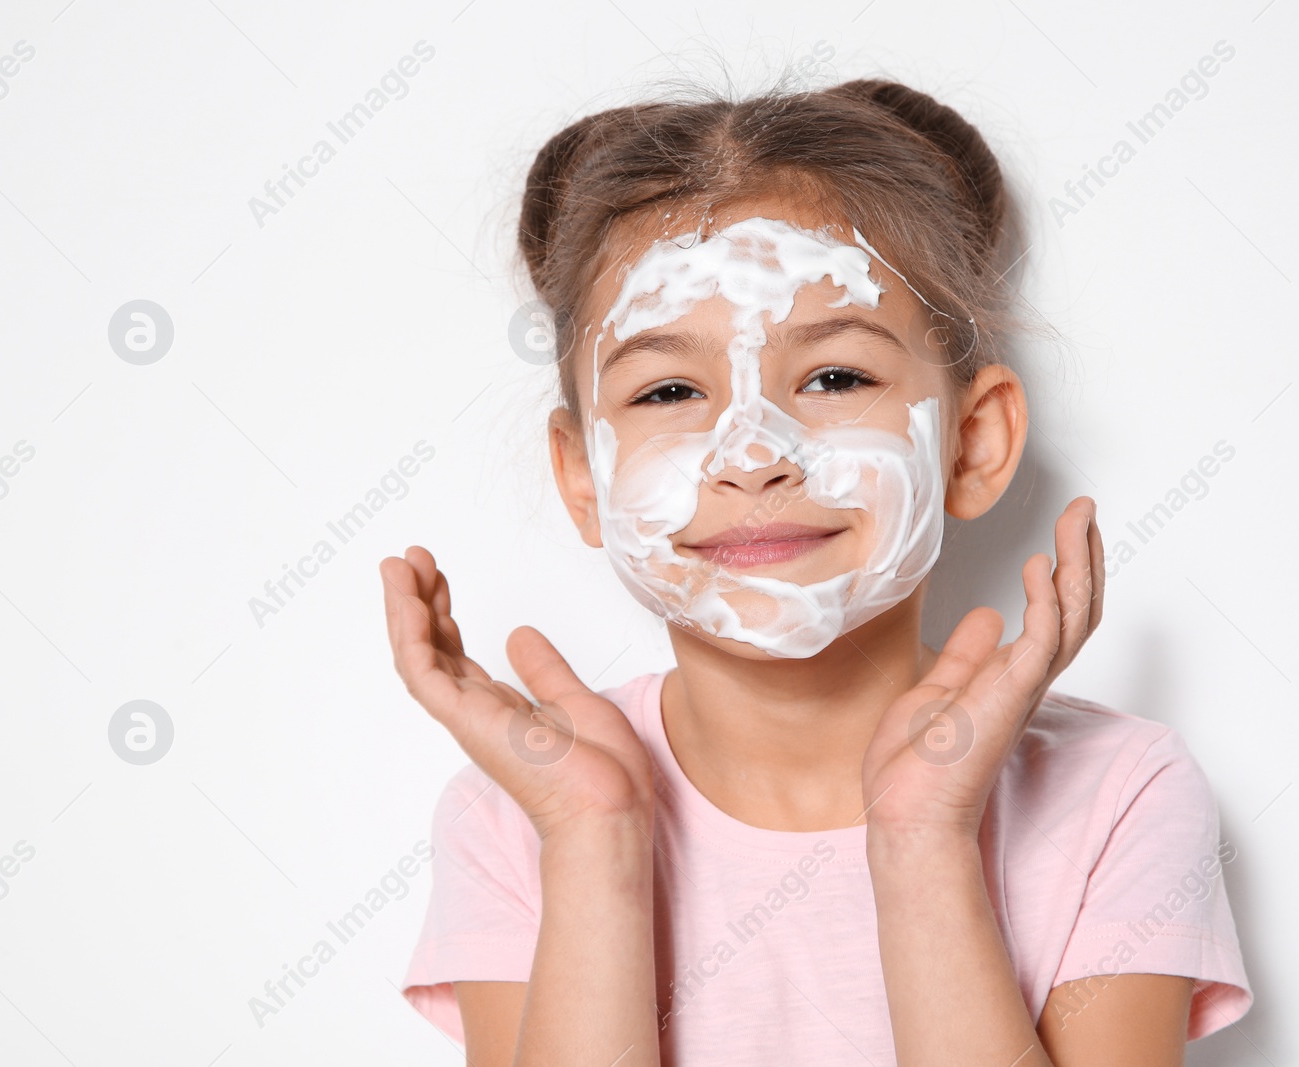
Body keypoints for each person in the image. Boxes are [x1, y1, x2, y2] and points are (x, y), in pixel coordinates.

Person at [381, 74, 1252, 1066]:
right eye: (670, 387)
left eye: (835, 375)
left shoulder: (1118, 791)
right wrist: (594, 844)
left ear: (972, 442)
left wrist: (924, 842)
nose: (753, 452)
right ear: (583, 477)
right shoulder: (522, 807)